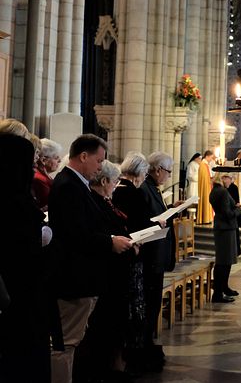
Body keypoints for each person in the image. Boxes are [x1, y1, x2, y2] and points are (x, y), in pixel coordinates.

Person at [47, 134, 133, 383]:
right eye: (98, 160)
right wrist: (110, 241)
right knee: (66, 344)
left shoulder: (74, 184)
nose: (99, 166)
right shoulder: (68, 186)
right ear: (83, 156)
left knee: (72, 342)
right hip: (74, 279)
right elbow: (76, 233)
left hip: (83, 277)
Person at [0, 134, 51, 382]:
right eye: (30, 164)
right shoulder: (14, 201)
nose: (33, 170)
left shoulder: (16, 196)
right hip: (19, 297)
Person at [79, 160, 137, 381]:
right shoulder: (94, 202)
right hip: (107, 274)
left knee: (113, 324)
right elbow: (101, 236)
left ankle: (111, 367)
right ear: (104, 181)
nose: (116, 186)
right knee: (104, 326)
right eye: (114, 182)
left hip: (115, 272)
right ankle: (103, 370)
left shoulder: (103, 201)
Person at [111, 152, 152, 374]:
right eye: (145, 173)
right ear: (137, 172)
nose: (146, 176)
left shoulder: (118, 191)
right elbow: (139, 223)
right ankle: (131, 354)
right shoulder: (133, 194)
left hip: (124, 253)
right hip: (131, 254)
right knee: (133, 305)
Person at [139, 152, 176, 368]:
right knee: (149, 303)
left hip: (157, 256)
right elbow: (145, 222)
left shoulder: (153, 189)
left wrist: (170, 211)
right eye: (168, 172)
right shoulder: (145, 189)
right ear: (158, 170)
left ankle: (149, 342)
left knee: (154, 304)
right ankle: (144, 345)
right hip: (151, 256)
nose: (169, 176)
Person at [209, 178, 241, 302]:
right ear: (222, 179)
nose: (231, 181)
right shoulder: (223, 192)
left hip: (223, 228)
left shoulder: (214, 191)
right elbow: (227, 213)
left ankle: (223, 288)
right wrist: (239, 209)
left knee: (225, 261)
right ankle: (218, 294)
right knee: (223, 262)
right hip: (226, 229)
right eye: (229, 179)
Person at [33, 138, 64, 211]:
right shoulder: (39, 179)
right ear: (44, 160)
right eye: (56, 158)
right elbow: (51, 203)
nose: (60, 160)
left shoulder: (45, 176)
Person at [197, 150, 215, 224]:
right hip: (205, 187)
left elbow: (210, 175)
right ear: (207, 156)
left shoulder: (205, 164)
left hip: (207, 186)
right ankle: (205, 218)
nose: (211, 159)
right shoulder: (203, 165)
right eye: (211, 157)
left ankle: (207, 218)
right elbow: (205, 177)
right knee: (205, 200)